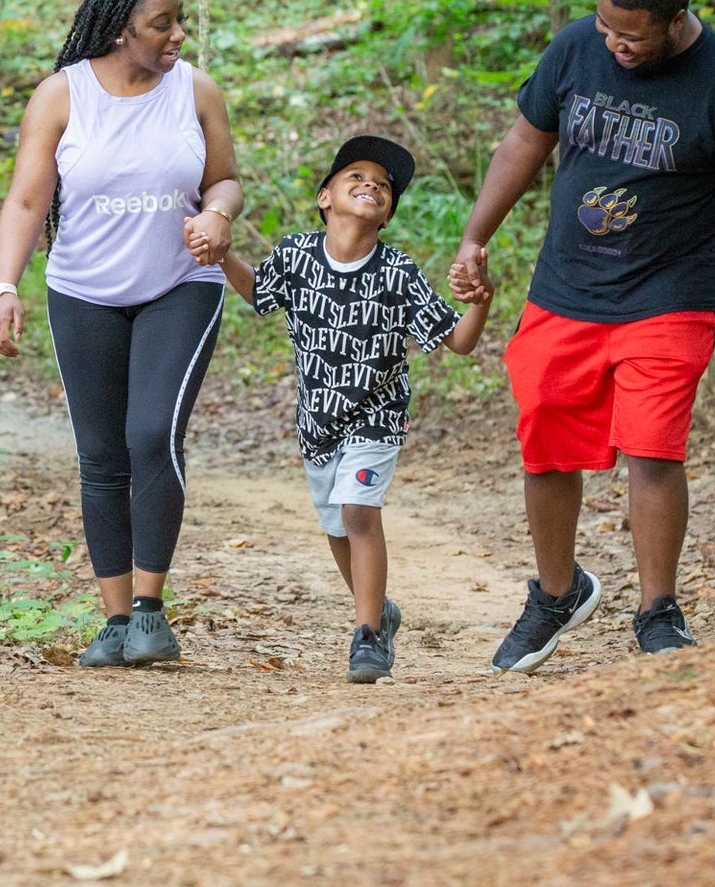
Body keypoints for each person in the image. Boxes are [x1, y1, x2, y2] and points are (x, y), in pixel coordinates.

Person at [449, 0, 715, 674]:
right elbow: (525, 140)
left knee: (654, 446)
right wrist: (476, 235)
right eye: (606, 26)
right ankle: (556, 593)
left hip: (670, 293)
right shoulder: (577, 47)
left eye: (630, 34)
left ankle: (659, 612)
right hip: (566, 287)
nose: (614, 43)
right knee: (543, 437)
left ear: (673, 20)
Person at [0, 0, 242, 668]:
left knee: (151, 432)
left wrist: (218, 213)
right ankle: (115, 618)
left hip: (180, 283)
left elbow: (223, 176)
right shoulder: (60, 96)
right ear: (120, 27)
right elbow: (27, 202)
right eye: (163, 24)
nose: (177, 34)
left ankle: (153, 615)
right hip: (83, 290)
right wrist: (3, 285)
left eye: (178, 19)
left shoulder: (195, 89)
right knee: (100, 455)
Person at [191, 136, 493, 682]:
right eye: (356, 177)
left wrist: (481, 302)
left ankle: (367, 637)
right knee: (336, 526)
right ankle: (377, 608)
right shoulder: (296, 255)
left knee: (357, 512)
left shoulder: (396, 272)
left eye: (382, 186)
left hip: (375, 418)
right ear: (325, 196)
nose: (371, 186)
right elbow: (260, 294)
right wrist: (221, 254)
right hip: (318, 422)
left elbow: (459, 341)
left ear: (388, 213)